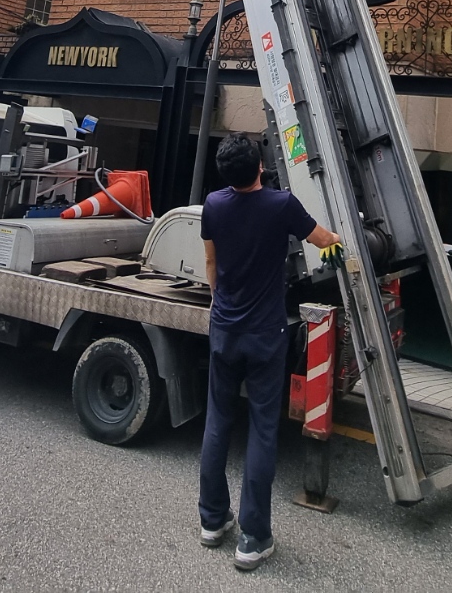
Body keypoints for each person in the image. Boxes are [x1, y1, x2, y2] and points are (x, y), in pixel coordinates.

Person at [197, 132, 341, 572]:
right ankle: (253, 537)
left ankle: (212, 520)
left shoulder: (213, 205)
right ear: (261, 166)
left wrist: (222, 304)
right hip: (265, 336)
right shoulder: (281, 206)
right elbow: (324, 240)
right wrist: (344, 239)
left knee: (217, 422)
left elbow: (211, 264)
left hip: (225, 330)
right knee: (261, 431)